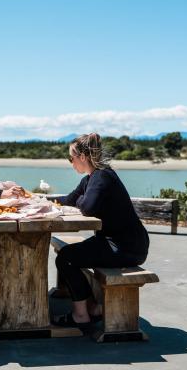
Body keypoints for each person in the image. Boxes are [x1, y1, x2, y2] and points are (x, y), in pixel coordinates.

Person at [52, 133, 150, 328]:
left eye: (71, 158)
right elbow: (70, 199)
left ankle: (81, 315)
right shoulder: (91, 178)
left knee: (65, 258)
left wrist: (81, 201)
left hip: (125, 247)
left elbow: (87, 207)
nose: (71, 163)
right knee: (66, 254)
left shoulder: (102, 176)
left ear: (82, 157)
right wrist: (39, 200)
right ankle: (93, 308)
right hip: (115, 242)